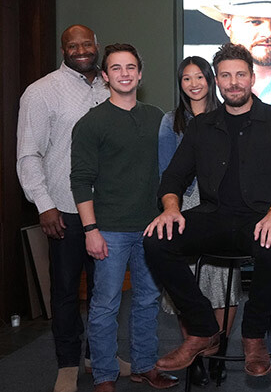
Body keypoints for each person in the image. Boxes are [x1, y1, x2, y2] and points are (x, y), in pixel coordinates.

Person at [143, 43, 271, 379]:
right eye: (226, 75)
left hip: (263, 218)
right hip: (214, 217)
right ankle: (202, 329)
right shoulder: (202, 126)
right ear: (217, 80)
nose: (233, 82)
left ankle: (253, 334)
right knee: (157, 240)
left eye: (240, 75)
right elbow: (173, 177)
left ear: (251, 78)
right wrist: (171, 208)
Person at [16, 24, 129, 392]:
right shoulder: (41, 92)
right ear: (63, 49)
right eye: (72, 45)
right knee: (65, 291)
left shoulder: (110, 84)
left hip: (108, 208)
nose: (81, 50)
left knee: (106, 291)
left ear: (96, 45)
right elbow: (28, 154)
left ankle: (99, 357)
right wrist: (44, 204)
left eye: (86, 44)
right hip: (63, 208)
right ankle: (67, 363)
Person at [70, 43, 177, 392]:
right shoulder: (91, 123)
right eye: (116, 68)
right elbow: (81, 181)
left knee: (147, 301)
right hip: (109, 230)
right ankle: (104, 375)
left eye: (130, 67)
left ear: (140, 74)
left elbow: (170, 171)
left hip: (151, 227)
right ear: (105, 76)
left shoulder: (158, 118)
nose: (124, 73)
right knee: (105, 305)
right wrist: (90, 230)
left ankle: (144, 366)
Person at [157, 56, 239, 386]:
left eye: (199, 77)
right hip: (181, 206)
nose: (194, 84)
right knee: (186, 283)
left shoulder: (228, 116)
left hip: (221, 205)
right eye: (186, 78)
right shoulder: (170, 122)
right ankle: (193, 350)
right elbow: (168, 173)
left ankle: (218, 347)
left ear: (210, 79)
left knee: (222, 282)